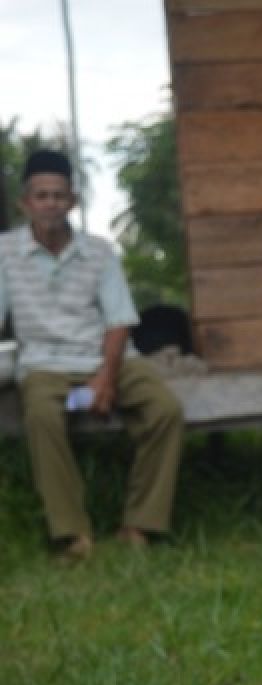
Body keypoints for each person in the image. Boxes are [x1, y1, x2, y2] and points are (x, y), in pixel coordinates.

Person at [0, 150, 184, 560]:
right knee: (43, 415)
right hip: (45, 366)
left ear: (73, 202)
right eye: (41, 195)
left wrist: (103, 378)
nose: (50, 203)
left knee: (164, 409)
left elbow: (119, 320)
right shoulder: (5, 252)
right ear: (25, 203)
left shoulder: (99, 251)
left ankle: (140, 524)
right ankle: (72, 533)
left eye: (59, 195)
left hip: (106, 358)